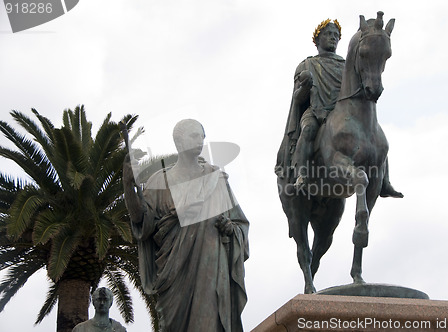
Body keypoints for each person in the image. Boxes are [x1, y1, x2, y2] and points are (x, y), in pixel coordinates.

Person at [123, 119, 249, 332]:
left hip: (210, 266)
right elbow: (142, 224)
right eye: (194, 136)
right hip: (174, 274)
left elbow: (239, 223)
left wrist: (230, 228)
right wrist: (127, 184)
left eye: (202, 136)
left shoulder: (215, 178)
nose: (200, 141)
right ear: (179, 142)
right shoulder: (158, 182)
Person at [275, 18, 402, 197]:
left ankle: (384, 181)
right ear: (317, 39)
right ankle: (302, 174)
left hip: (342, 113)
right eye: (328, 34)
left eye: (336, 35)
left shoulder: (345, 64)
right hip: (316, 111)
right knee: (309, 129)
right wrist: (305, 86)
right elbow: (298, 99)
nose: (333, 38)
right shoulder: (307, 64)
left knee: (374, 135)